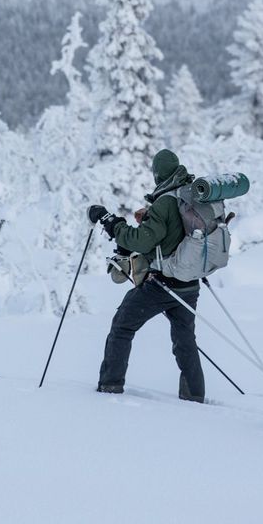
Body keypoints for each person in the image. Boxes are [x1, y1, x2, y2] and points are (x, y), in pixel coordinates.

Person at [88, 148, 205, 403]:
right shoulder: (190, 194)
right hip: (190, 284)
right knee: (185, 339)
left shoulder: (165, 202)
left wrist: (113, 223)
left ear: (157, 174)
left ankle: (110, 385)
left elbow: (142, 241)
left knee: (122, 326)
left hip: (163, 284)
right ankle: (194, 395)